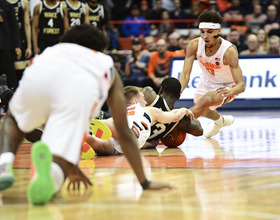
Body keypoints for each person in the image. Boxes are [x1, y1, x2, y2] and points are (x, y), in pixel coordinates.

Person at [0, 25, 173, 205]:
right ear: (100, 49)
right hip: (79, 90)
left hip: (39, 71)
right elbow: (123, 131)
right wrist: (144, 181)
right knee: (65, 156)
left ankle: (4, 163)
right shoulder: (103, 61)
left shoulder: (53, 51)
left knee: (14, 119)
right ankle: (51, 175)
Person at [179, 10, 245, 138]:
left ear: (218, 31)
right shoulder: (194, 44)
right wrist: (178, 92)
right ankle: (220, 121)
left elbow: (241, 85)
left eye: (209, 32)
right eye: (202, 32)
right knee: (201, 107)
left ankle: (173, 127)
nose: (205, 36)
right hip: (207, 81)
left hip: (227, 86)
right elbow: (185, 75)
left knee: (206, 101)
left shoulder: (228, 51)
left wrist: (231, 91)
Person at [86, 85, 194, 155]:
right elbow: (174, 116)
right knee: (117, 138)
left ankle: (86, 136)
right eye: (143, 98)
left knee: (103, 146)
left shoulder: (117, 112)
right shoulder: (149, 110)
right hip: (130, 135)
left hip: (116, 136)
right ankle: (92, 126)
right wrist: (184, 109)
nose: (146, 102)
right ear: (135, 101)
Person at [142, 77, 203, 148]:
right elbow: (199, 131)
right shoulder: (178, 120)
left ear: (161, 89)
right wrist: (185, 114)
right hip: (139, 141)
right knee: (154, 143)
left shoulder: (149, 94)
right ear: (178, 96)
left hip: (129, 131)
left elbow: (129, 94)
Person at [0, 0, 22, 90]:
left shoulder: (7, 6)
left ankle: (12, 101)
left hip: (5, 46)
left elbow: (14, 27)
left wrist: (17, 46)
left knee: (10, 77)